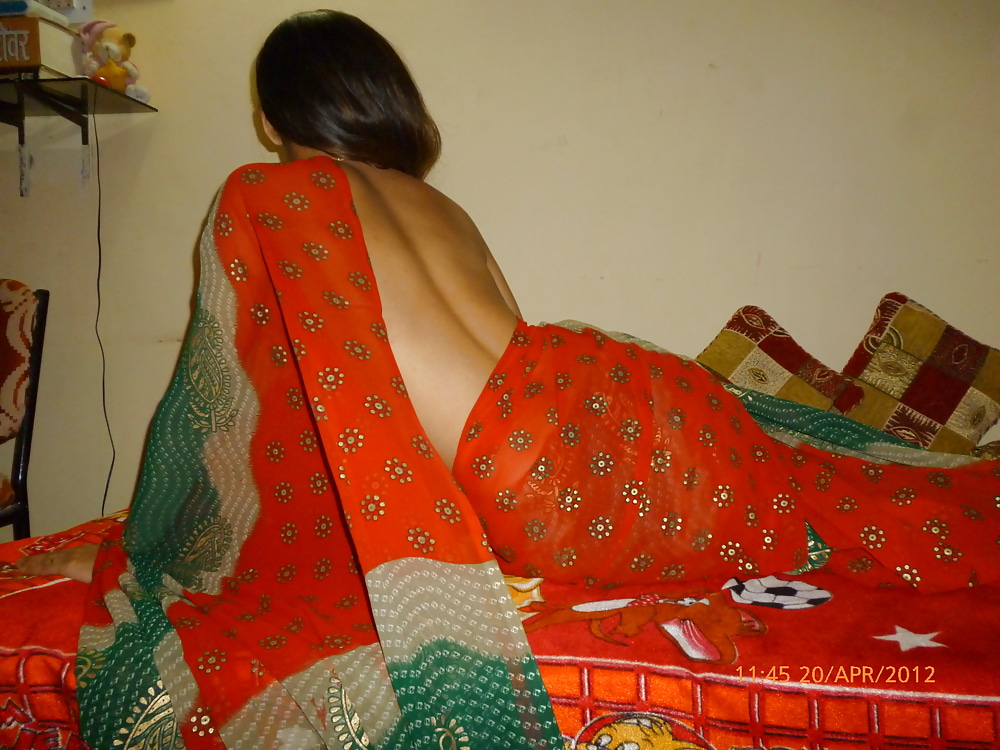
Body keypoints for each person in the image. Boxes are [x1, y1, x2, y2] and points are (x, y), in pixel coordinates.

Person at [7, 8, 1000, 749]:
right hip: (623, 395)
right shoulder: (443, 209)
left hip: (540, 469)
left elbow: (230, 413)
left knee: (829, 510)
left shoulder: (269, 192)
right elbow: (500, 352)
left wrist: (167, 539)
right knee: (853, 487)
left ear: (270, 117)